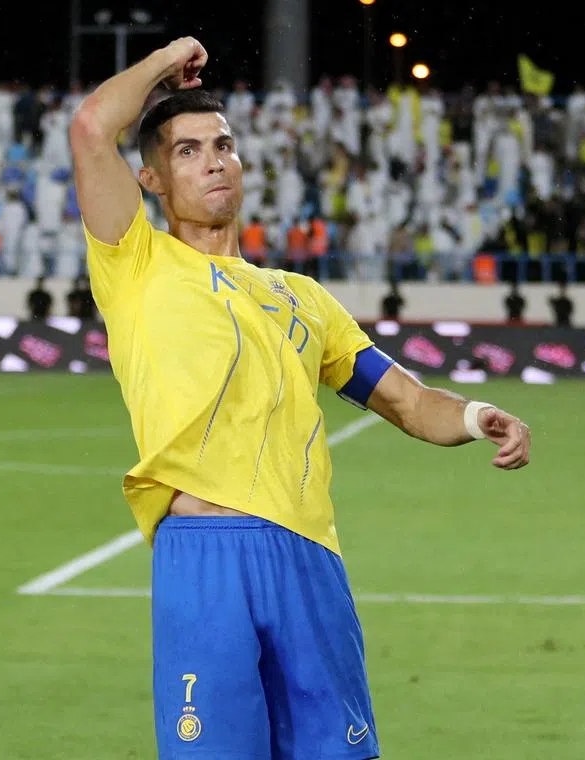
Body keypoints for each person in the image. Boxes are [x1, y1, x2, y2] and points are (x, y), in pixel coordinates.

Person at [70, 37, 532, 760]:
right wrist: (167, 61)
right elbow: (91, 127)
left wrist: (476, 418)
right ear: (150, 180)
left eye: (223, 144)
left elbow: (407, 402)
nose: (214, 160)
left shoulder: (302, 298)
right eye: (187, 151)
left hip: (310, 558)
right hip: (205, 557)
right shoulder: (135, 262)